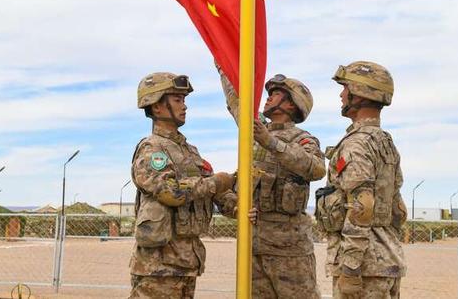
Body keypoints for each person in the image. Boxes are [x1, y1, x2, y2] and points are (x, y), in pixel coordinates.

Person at [217, 66, 326, 298]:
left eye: (275, 94)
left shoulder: (302, 139)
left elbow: (316, 168)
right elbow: (237, 100)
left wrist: (271, 143)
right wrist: (223, 66)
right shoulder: (255, 131)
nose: (267, 98)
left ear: (291, 105)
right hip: (255, 247)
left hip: (290, 251)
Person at [129, 72, 235, 299]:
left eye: (184, 100)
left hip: (186, 263)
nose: (184, 106)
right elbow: (171, 193)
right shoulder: (152, 149)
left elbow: (217, 194)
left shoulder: (190, 152)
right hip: (157, 267)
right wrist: (218, 182)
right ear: (157, 107)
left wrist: (238, 191)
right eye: (177, 100)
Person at [316, 61, 406, 298]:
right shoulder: (384, 142)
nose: (341, 94)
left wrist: (350, 268)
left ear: (360, 93)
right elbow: (398, 209)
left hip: (364, 267)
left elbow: (361, 207)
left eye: (346, 88)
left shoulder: (356, 144)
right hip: (386, 260)